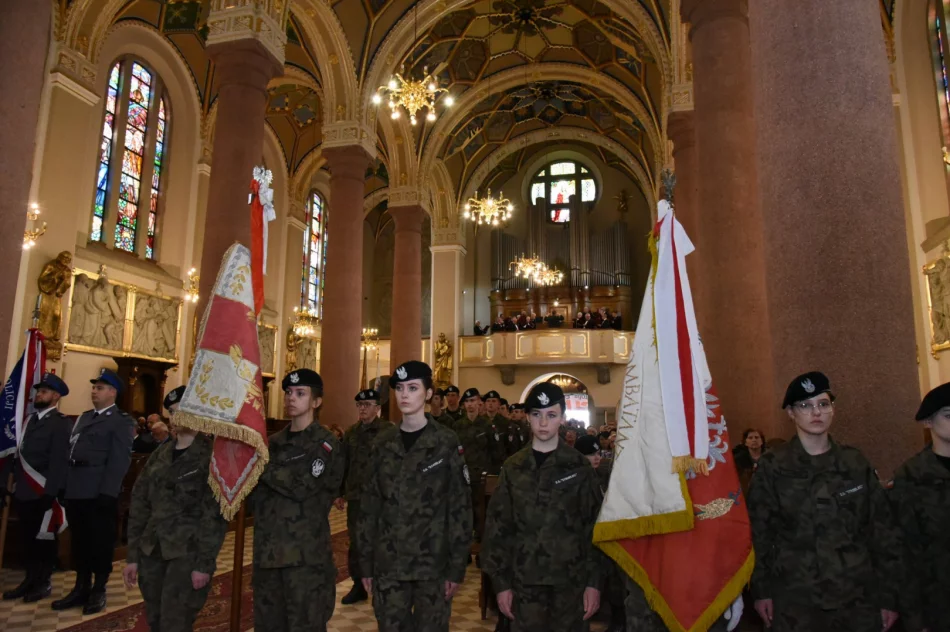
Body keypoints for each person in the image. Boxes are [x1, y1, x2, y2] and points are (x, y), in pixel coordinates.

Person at [748, 372, 901, 632]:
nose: (816, 412)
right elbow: (759, 533)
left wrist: (889, 595)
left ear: (833, 409)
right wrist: (761, 591)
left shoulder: (854, 462)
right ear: (791, 413)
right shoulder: (773, 466)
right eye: (805, 405)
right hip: (795, 599)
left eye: (823, 404)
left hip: (856, 596)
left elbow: (881, 531)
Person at [357, 361, 472, 631]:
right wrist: (365, 563)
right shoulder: (383, 443)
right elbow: (369, 508)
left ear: (428, 393)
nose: (404, 395)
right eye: (399, 388)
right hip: (389, 564)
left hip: (432, 565)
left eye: (412, 388)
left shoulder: (445, 441)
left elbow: (459, 509)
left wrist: (456, 567)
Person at [483, 382, 602, 632]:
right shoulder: (513, 467)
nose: (544, 423)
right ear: (528, 417)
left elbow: (594, 527)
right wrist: (501, 584)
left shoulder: (578, 467)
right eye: (537, 414)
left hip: (571, 585)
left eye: (551, 415)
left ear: (563, 417)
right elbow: (497, 530)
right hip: (523, 585)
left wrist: (594, 583)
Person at [123, 385, 228, 631]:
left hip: (186, 553)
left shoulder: (211, 457)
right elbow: (140, 505)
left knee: (176, 622)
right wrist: (133, 557)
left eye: (183, 410)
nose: (176, 417)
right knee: (156, 620)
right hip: (152, 550)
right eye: (172, 411)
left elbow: (214, 516)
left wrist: (204, 564)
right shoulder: (160, 455)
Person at [251, 369, 344, 631]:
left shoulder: (325, 444)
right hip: (268, 555)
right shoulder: (271, 443)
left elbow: (301, 486)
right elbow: (256, 496)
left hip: (305, 559)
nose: (291, 398)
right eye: (288, 392)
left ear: (316, 401)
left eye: (300, 393)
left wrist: (261, 465)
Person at [53, 369, 134, 614]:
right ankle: (81, 587)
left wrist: (108, 492)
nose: (94, 391)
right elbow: (70, 453)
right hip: (76, 488)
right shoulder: (84, 418)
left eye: (99, 388)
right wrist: (64, 485)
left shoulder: (120, 421)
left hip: (98, 491)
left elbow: (119, 461)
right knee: (79, 542)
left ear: (112, 392)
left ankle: (98, 590)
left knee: (99, 542)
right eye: (94, 387)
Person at [1, 374, 71, 603]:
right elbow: (17, 455)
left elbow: (59, 461)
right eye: (38, 391)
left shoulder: (60, 423)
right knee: (27, 540)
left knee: (44, 540)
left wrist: (51, 491)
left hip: (43, 490)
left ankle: (43, 581)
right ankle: (29, 579)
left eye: (44, 392)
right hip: (24, 489)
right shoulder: (28, 421)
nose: (38, 395)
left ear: (56, 396)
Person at [891, 382, 950, 632]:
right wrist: (915, 619)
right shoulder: (912, 475)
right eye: (948, 415)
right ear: (928, 422)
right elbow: (905, 553)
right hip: (938, 605)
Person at [339, 389, 392, 606]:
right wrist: (339, 493)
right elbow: (343, 463)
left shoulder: (388, 431)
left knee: (380, 540)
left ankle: (382, 585)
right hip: (356, 497)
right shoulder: (351, 433)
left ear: (377, 408)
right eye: (360, 405)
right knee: (357, 541)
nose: (362, 409)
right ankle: (358, 585)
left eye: (367, 405)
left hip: (380, 497)